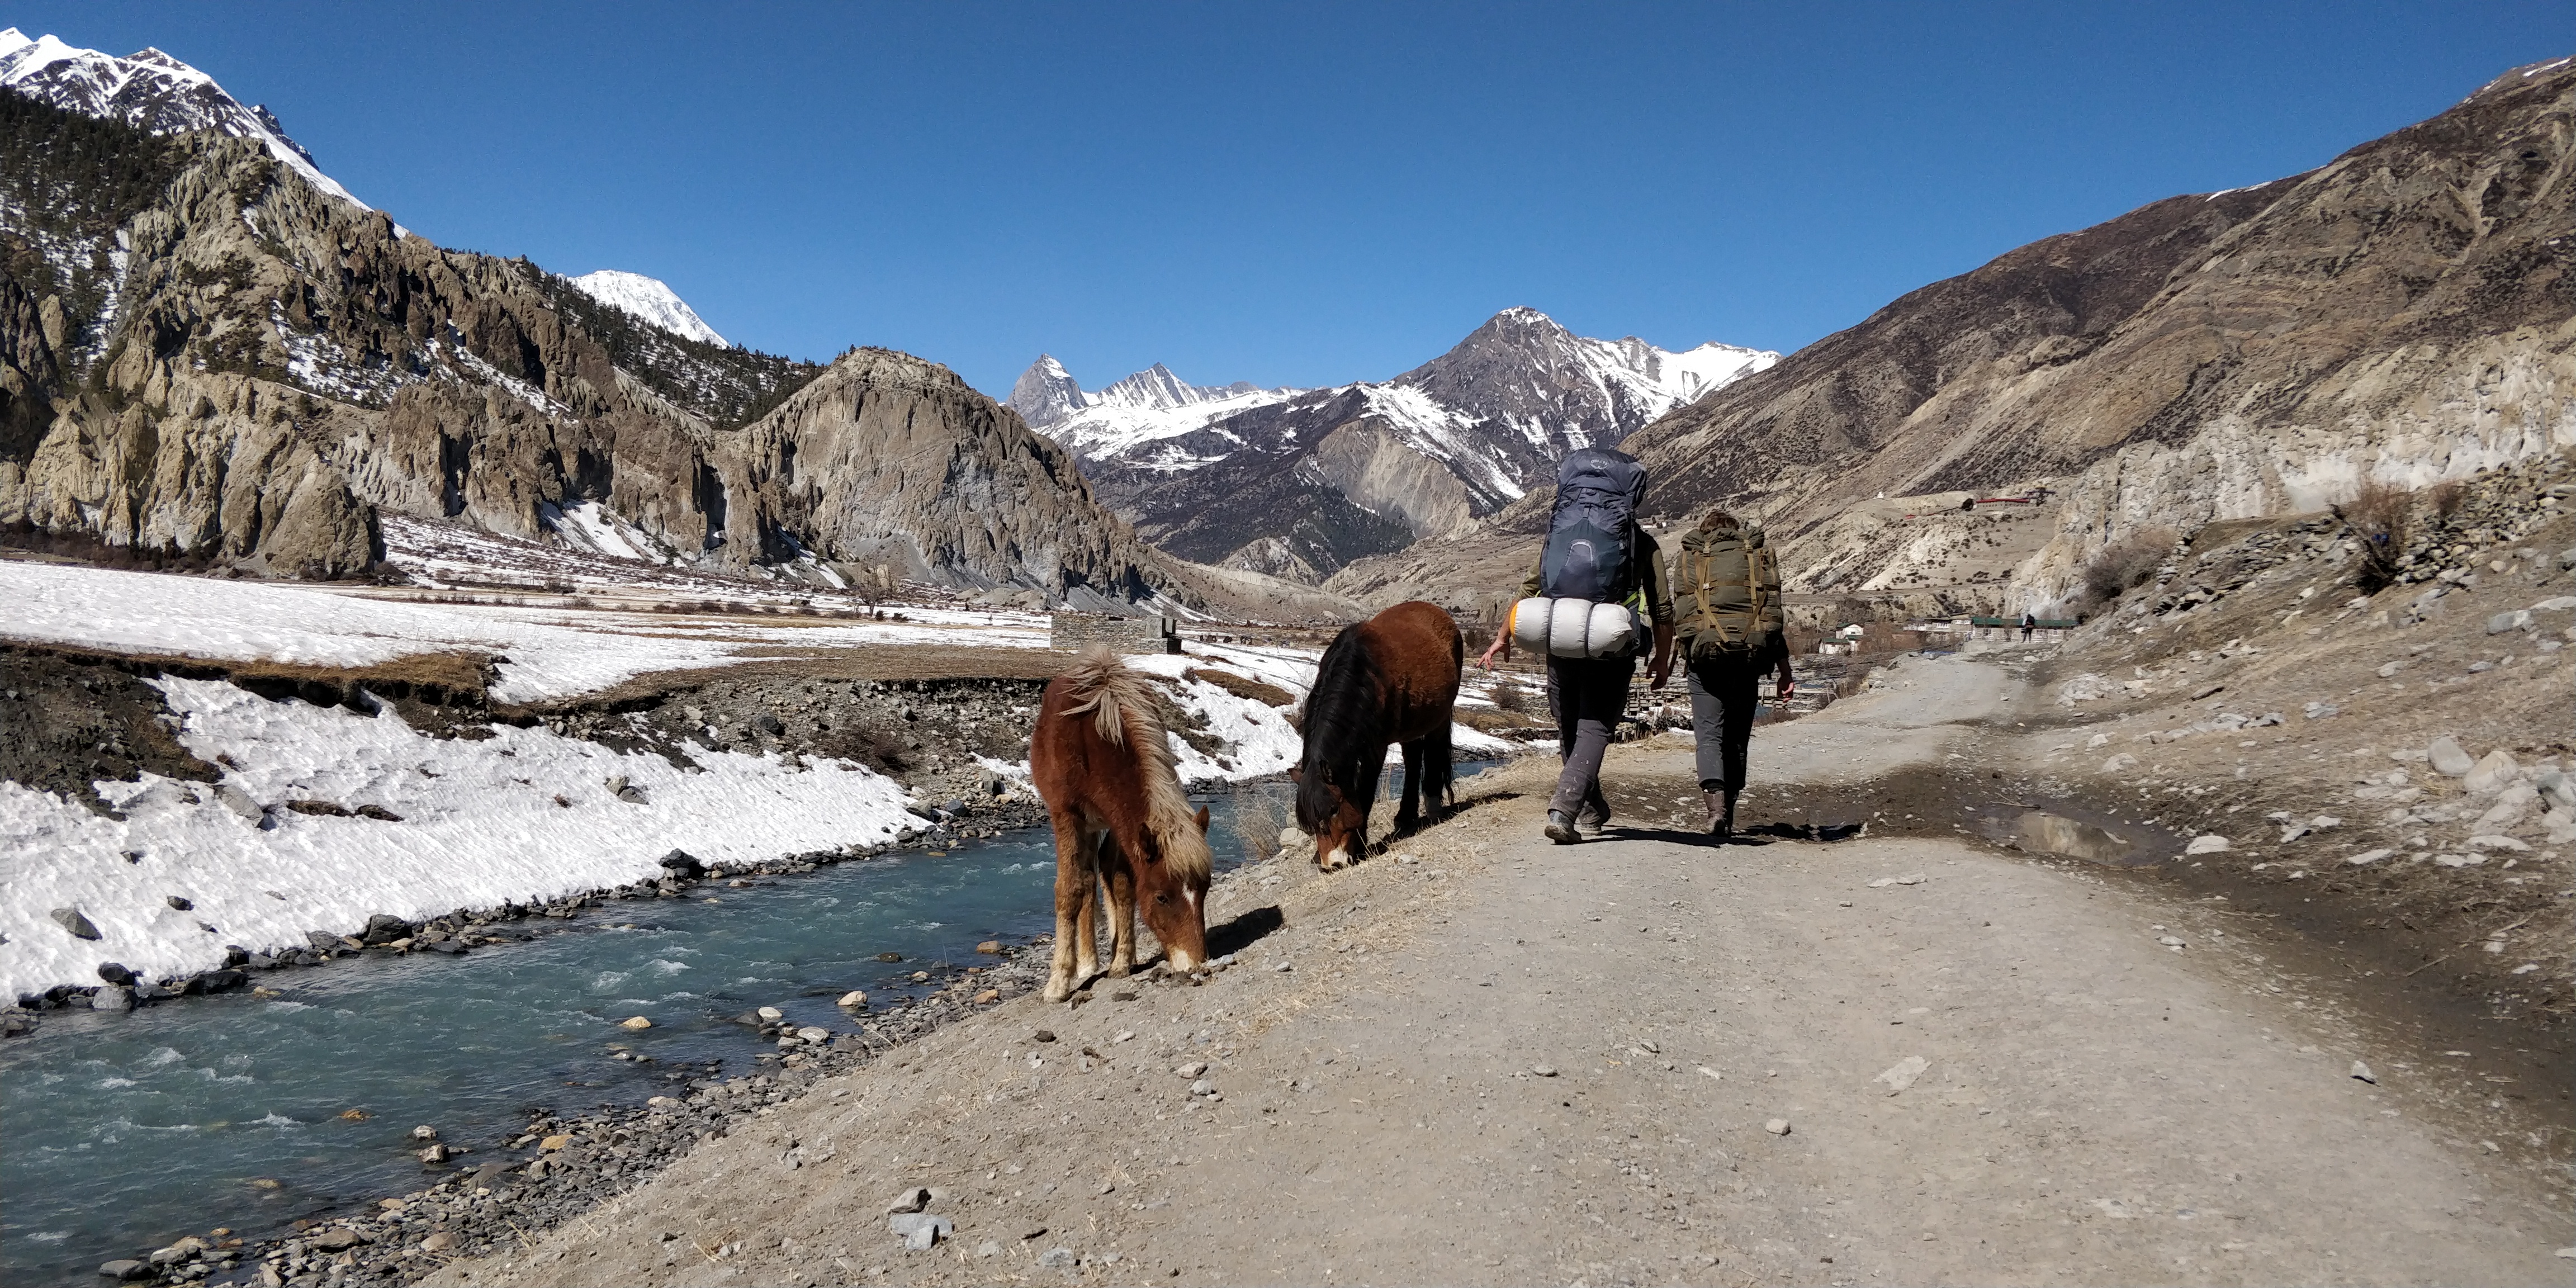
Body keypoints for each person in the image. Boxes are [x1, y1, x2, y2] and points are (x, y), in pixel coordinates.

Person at [1478, 456, 1675, 846]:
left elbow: (1528, 590)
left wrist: (1503, 636)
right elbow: (1662, 610)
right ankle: (1568, 809)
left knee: (1569, 721)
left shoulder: (1560, 535)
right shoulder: (1642, 543)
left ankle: (1585, 807)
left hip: (1558, 639)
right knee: (1595, 725)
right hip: (1610, 645)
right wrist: (1663, 660)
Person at [1668, 509, 1791, 839]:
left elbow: (1681, 611)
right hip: (1750, 658)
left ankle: (1715, 811)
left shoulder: (1692, 556)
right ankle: (1731, 812)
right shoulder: (1757, 555)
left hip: (1704, 660)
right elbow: (1773, 614)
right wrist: (1784, 670)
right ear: (1736, 530)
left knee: (1709, 736)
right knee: (1736, 738)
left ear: (1705, 531)